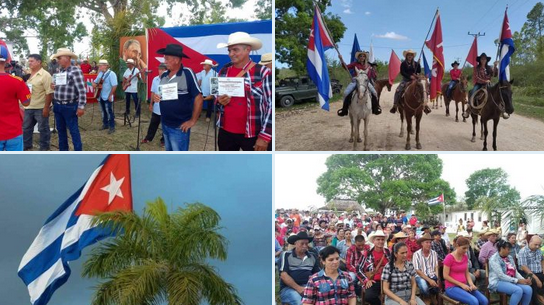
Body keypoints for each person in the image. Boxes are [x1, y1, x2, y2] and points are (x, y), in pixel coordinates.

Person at [216, 32, 272, 151]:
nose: (231, 54)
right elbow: (216, 94)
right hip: (226, 131)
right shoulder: (224, 70)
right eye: (229, 50)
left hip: (253, 132)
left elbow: (270, 106)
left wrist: (265, 136)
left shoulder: (263, 72)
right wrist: (219, 100)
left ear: (248, 49)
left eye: (235, 50)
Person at [153, 44, 203, 151]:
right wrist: (157, 97)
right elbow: (162, 94)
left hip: (179, 127)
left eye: (166, 58)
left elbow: (198, 97)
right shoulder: (164, 75)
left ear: (176, 60)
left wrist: (193, 121)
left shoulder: (187, 73)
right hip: (165, 123)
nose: (164, 61)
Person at [50, 48, 86, 151]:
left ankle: (78, 153)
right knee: (61, 131)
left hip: (69, 105)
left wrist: (81, 106)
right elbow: (60, 87)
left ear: (67, 58)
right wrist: (54, 86)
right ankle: (63, 152)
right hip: (58, 105)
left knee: (73, 131)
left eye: (59, 58)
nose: (58, 60)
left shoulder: (75, 70)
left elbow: (82, 90)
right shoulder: (59, 71)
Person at [0, 45, 31, 151]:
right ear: (7, 61)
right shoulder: (17, 81)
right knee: (15, 165)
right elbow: (26, 103)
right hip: (13, 130)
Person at [443, 237, 488, 305]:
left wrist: (471, 284)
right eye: (464, 248)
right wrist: (461, 284)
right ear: (457, 246)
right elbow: (445, 276)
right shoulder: (449, 258)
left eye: (467, 248)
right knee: (474, 302)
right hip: (451, 287)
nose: (466, 250)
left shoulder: (465, 257)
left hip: (464, 285)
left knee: (484, 301)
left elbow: (466, 273)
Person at [278, 231, 321, 305]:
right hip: (289, 288)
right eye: (302, 243)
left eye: (306, 244)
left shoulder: (312, 256)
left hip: (309, 287)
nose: (304, 246)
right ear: (295, 243)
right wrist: (299, 288)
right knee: (299, 301)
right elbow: (283, 275)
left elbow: (317, 274)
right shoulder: (286, 255)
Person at [488, 239, 533, 305]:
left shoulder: (509, 257)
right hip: (497, 282)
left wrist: (524, 280)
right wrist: (517, 280)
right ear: (501, 248)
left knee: (528, 289)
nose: (509, 251)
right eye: (508, 249)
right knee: (517, 290)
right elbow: (501, 275)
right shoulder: (494, 259)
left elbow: (515, 272)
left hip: (511, 280)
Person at [23, 54, 53, 151]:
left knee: (43, 129)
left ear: (39, 62)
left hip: (40, 107)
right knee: (26, 128)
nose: (29, 63)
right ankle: (26, 145)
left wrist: (46, 108)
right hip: (29, 106)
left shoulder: (45, 75)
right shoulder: (28, 74)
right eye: (29, 61)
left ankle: (44, 147)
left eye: (32, 61)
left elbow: (49, 93)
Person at [337, 50, 381, 116]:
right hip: (356, 81)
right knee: (346, 93)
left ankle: (375, 108)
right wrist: (341, 59)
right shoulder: (355, 64)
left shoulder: (368, 65)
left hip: (365, 82)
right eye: (361, 56)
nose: (362, 57)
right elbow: (345, 67)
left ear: (365, 58)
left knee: (374, 93)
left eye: (363, 56)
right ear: (358, 57)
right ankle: (344, 109)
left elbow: (371, 74)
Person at [391, 49, 430, 114]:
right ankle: (395, 105)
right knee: (398, 90)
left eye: (411, 55)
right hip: (405, 80)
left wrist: (418, 65)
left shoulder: (416, 63)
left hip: (415, 79)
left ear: (413, 56)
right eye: (408, 55)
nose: (410, 56)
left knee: (423, 89)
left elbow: (419, 71)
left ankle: (425, 105)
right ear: (406, 56)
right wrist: (409, 76)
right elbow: (402, 72)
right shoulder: (403, 63)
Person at [463, 52, 500, 119]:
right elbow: (476, 77)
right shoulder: (477, 68)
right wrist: (484, 81)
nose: (483, 60)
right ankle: (468, 109)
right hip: (479, 84)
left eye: (485, 59)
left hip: (488, 84)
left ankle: (500, 108)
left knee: (497, 91)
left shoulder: (489, 68)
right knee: (472, 91)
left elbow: (494, 74)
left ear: (486, 60)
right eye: (482, 59)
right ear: (480, 60)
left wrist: (495, 66)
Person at [357, 230, 391, 305]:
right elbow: (358, 269)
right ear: (373, 241)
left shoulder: (388, 252)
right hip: (374, 280)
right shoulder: (367, 253)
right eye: (378, 239)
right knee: (369, 297)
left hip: (388, 279)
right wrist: (366, 280)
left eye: (382, 239)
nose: (380, 241)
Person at [141, 63, 166, 146]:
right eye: (160, 69)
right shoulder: (155, 79)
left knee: (165, 125)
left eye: (163, 69)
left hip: (166, 107)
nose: (161, 71)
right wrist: (151, 103)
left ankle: (164, 140)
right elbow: (152, 92)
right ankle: (148, 137)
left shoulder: (169, 80)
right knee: (153, 123)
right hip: (157, 106)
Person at [412, 233, 439, 305]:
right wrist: (430, 280)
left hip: (431, 274)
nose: (429, 244)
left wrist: (437, 277)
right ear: (422, 243)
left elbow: (436, 266)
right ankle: (428, 297)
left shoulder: (434, 253)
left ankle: (430, 296)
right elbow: (417, 270)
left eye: (430, 242)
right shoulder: (416, 254)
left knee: (436, 285)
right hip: (420, 275)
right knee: (424, 286)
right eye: (427, 242)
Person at [92, 59, 117, 134]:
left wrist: (110, 95)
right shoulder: (100, 74)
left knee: (109, 112)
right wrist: (94, 84)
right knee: (103, 111)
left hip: (107, 96)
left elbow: (114, 85)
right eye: (99, 65)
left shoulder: (112, 74)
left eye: (101, 65)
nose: (99, 66)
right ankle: (105, 124)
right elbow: (95, 82)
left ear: (105, 66)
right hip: (101, 95)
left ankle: (112, 127)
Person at [517, 235, 544, 305]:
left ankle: (540, 295)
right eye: (536, 244)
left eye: (539, 245)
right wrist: (537, 279)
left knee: (539, 281)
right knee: (534, 281)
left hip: (539, 272)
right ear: (530, 242)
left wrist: (543, 268)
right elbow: (524, 267)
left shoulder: (538, 251)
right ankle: (535, 301)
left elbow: (542, 260)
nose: (537, 247)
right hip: (527, 273)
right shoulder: (523, 251)